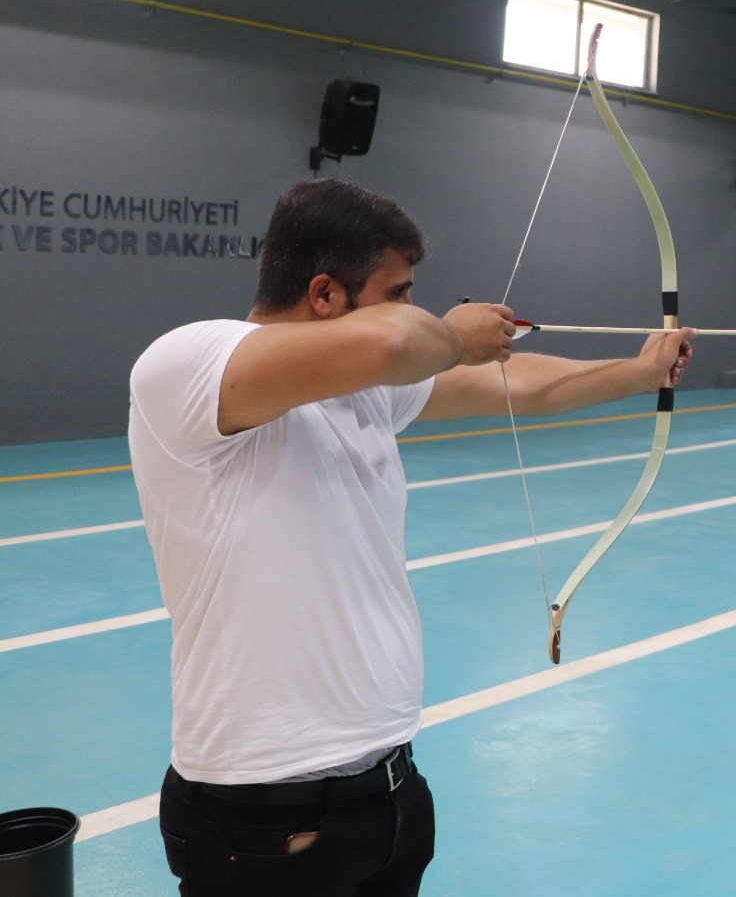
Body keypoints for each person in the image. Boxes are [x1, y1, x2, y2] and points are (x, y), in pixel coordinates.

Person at [128, 178, 694, 896]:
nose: (408, 308)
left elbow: (520, 385)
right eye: (397, 292)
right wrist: (455, 337)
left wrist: (641, 373)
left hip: (388, 790)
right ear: (325, 294)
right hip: (264, 818)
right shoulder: (190, 361)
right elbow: (399, 340)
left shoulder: (360, 391)